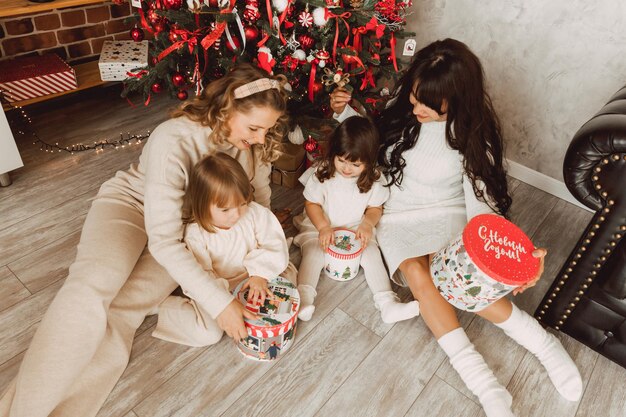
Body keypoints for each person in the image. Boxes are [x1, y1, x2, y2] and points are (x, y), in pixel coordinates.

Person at [0, 64, 289, 417]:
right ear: (228, 107)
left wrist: (260, 260)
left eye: (267, 130)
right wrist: (218, 303)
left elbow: (258, 204)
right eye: (255, 128)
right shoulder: (174, 139)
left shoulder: (251, 147)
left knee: (124, 310)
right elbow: (162, 241)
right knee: (92, 288)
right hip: (132, 207)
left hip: (190, 233)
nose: (261, 138)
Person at [330, 39, 582, 417]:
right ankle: (482, 382)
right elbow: (367, 141)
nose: (416, 107)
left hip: (448, 212)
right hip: (397, 214)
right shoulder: (403, 114)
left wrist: (512, 255)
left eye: (427, 103)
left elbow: (484, 207)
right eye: (414, 97)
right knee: (418, 272)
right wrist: (343, 113)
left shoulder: (473, 140)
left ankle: (544, 345)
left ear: (456, 99)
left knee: (457, 275)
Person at [152, 152, 296, 347]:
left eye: (242, 204)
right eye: (225, 209)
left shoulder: (255, 214)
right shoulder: (197, 234)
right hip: (221, 288)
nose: (236, 214)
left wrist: (260, 275)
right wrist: (225, 302)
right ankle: (167, 309)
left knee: (288, 274)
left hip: (254, 277)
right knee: (209, 333)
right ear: (203, 206)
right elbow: (203, 275)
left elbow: (273, 243)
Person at [293, 116, 420, 323]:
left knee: (371, 254)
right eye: (341, 160)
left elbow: (374, 208)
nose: (346, 168)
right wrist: (324, 226)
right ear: (334, 153)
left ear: (368, 161)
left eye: (354, 164)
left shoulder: (374, 180)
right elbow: (311, 204)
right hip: (321, 224)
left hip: (355, 227)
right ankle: (304, 299)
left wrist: (368, 223)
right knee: (314, 254)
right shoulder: (323, 172)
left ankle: (387, 303)